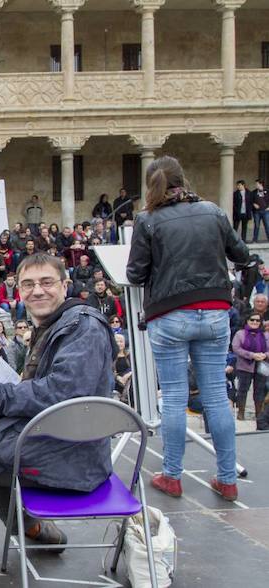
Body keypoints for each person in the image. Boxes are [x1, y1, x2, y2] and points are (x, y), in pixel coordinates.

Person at [0, 252, 116, 569]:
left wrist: (2, 394)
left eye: (46, 282)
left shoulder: (84, 328)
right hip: (59, 446)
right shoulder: (60, 323)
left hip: (70, 458)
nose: (37, 290)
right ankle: (32, 528)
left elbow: (64, 392)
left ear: (65, 285)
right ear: (20, 291)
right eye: (28, 284)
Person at [127, 155, 249, 502]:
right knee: (216, 399)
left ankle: (172, 475)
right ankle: (227, 480)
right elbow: (239, 253)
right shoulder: (212, 211)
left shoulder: (147, 221)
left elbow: (135, 274)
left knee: (176, 397)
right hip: (214, 311)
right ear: (184, 180)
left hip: (169, 314)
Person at [231, 312, 268, 421]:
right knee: (243, 389)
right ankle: (241, 412)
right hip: (244, 366)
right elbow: (236, 348)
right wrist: (252, 355)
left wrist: (264, 355)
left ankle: (259, 414)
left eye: (257, 320)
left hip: (262, 366)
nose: (255, 322)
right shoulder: (240, 334)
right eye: (252, 319)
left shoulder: (265, 335)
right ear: (247, 320)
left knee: (260, 390)